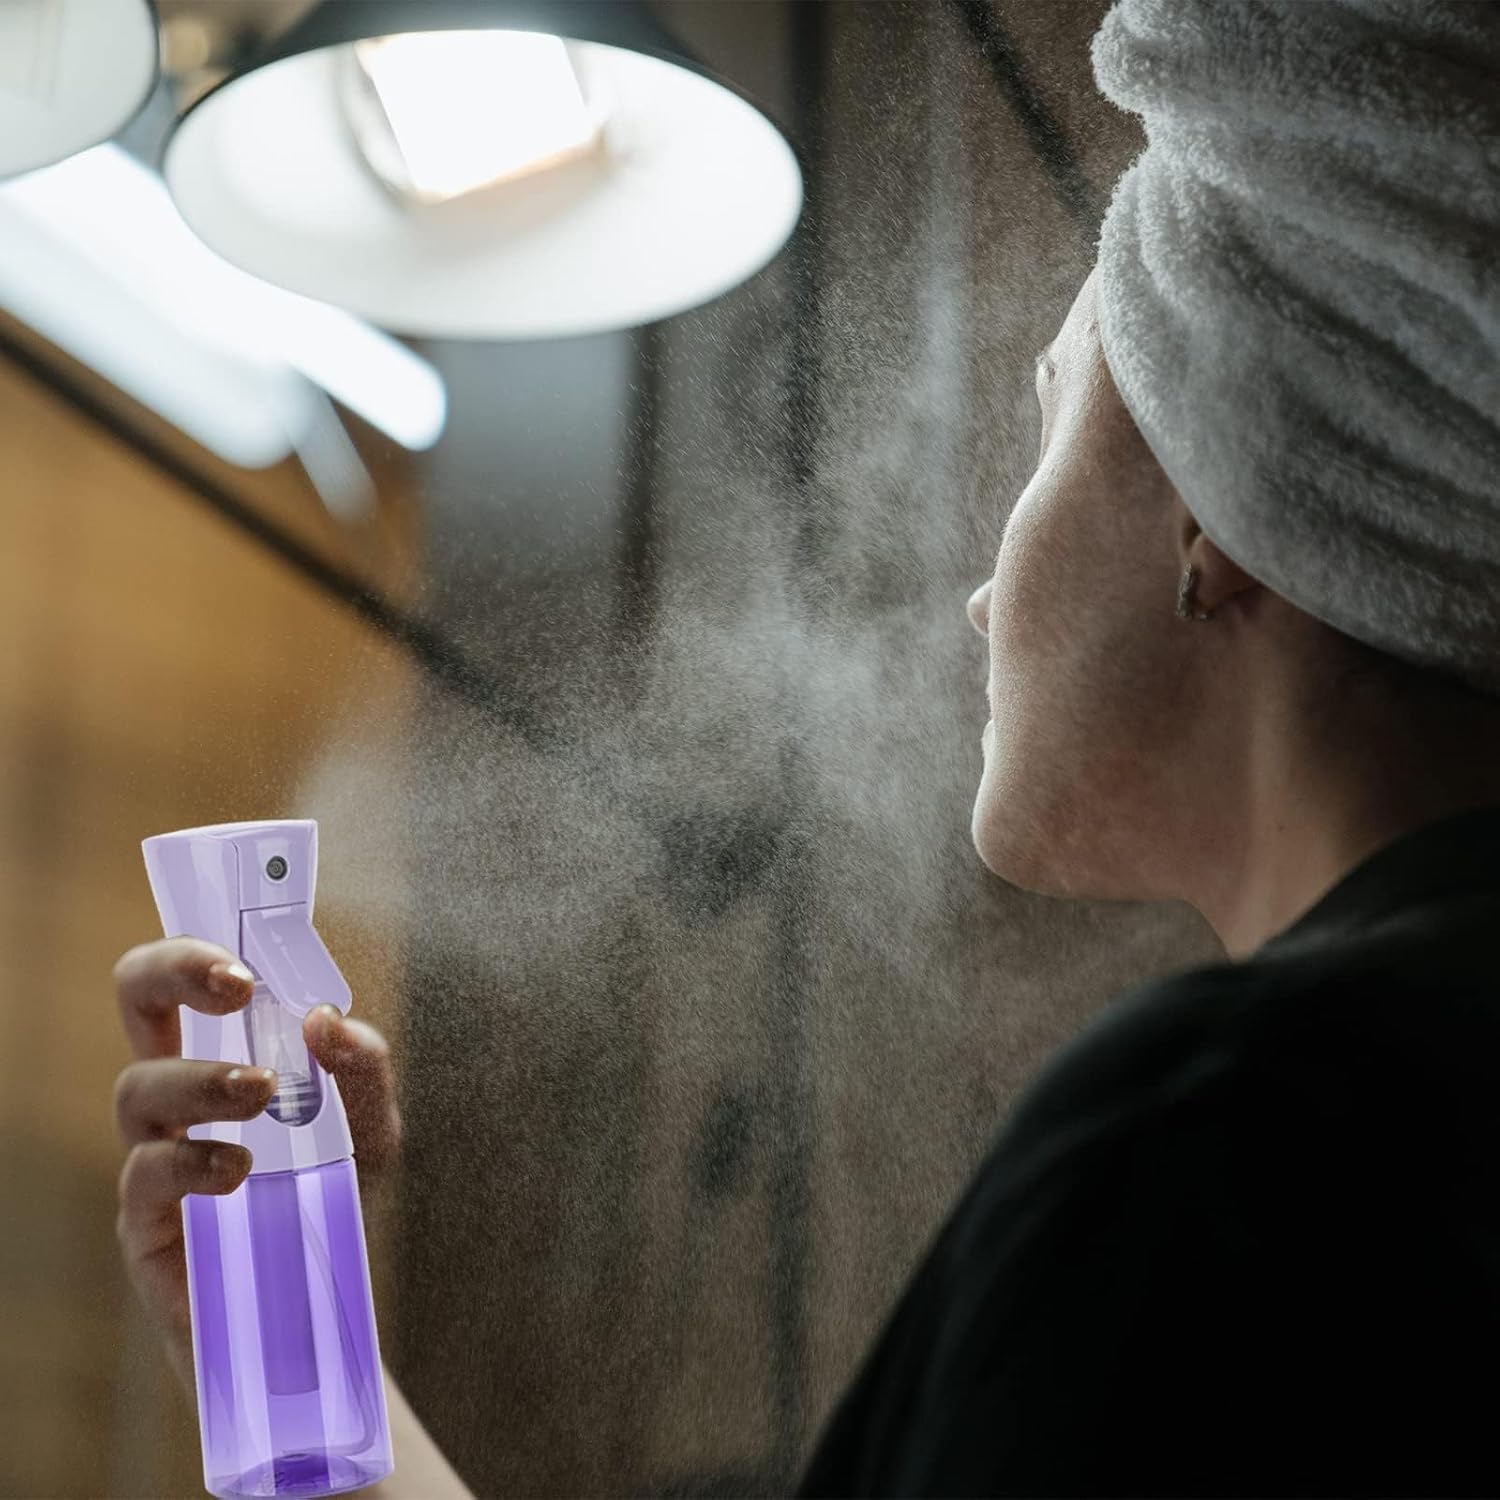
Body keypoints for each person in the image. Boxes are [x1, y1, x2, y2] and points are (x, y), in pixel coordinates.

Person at [113, 0, 1500, 1495]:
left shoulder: (1225, 1127)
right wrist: (290, 1341)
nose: (981, 598)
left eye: (1047, 431)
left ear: (1211, 509)